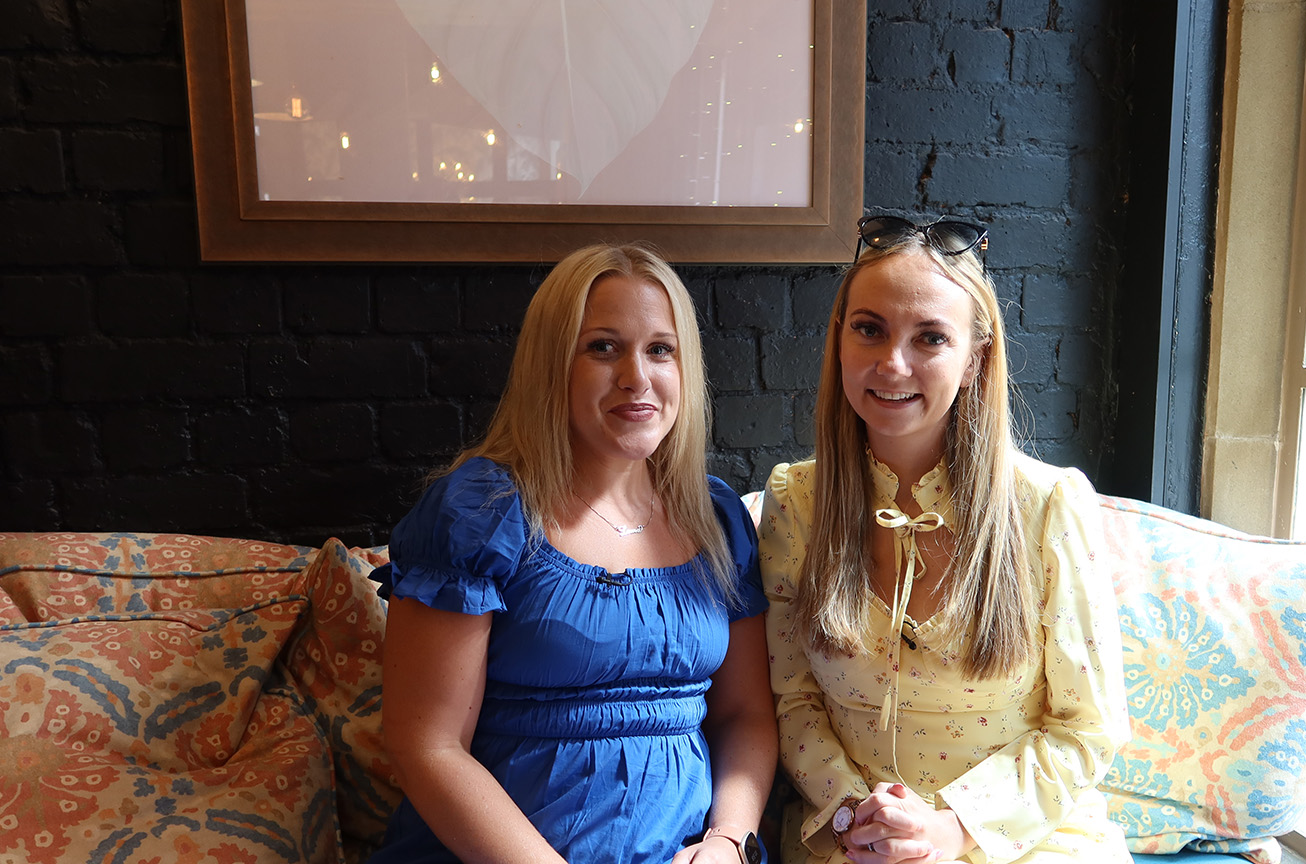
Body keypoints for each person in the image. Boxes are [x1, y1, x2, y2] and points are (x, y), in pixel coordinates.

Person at [369, 244, 776, 864]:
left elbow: (743, 715)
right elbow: (426, 743)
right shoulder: (480, 514)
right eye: (603, 347)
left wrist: (727, 842)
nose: (636, 378)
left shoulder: (716, 519)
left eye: (659, 349)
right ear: (551, 364)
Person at [759, 216, 1132, 864]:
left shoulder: (1047, 506)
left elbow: (1086, 730)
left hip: (1023, 841)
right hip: (853, 839)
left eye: (930, 337)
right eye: (869, 329)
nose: (892, 363)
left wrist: (952, 828)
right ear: (839, 340)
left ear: (973, 360)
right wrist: (856, 817)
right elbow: (793, 699)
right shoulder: (796, 502)